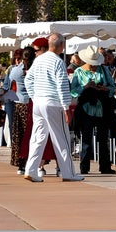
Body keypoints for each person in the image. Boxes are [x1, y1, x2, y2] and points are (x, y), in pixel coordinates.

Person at [22, 32, 84, 182]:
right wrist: (66, 107)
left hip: (39, 103)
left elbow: (28, 80)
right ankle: (68, 173)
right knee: (61, 138)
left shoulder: (39, 60)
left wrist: (35, 97)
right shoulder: (58, 62)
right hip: (53, 103)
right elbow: (62, 86)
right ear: (61, 46)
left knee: (38, 137)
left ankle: (31, 170)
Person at [70, 45, 116, 174]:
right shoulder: (79, 72)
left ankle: (105, 167)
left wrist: (105, 88)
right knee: (86, 139)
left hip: (102, 108)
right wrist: (85, 87)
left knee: (103, 139)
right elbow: (73, 91)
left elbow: (113, 87)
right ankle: (84, 167)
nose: (94, 66)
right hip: (86, 109)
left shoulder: (103, 69)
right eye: (92, 64)